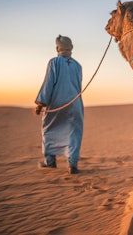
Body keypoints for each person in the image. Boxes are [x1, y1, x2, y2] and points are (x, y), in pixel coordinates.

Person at [34, 35, 84, 174]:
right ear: (71, 47)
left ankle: (50, 162)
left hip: (57, 103)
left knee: (49, 130)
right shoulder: (77, 65)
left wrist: (40, 104)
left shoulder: (54, 62)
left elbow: (48, 84)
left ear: (58, 47)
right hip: (75, 104)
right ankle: (72, 165)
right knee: (74, 133)